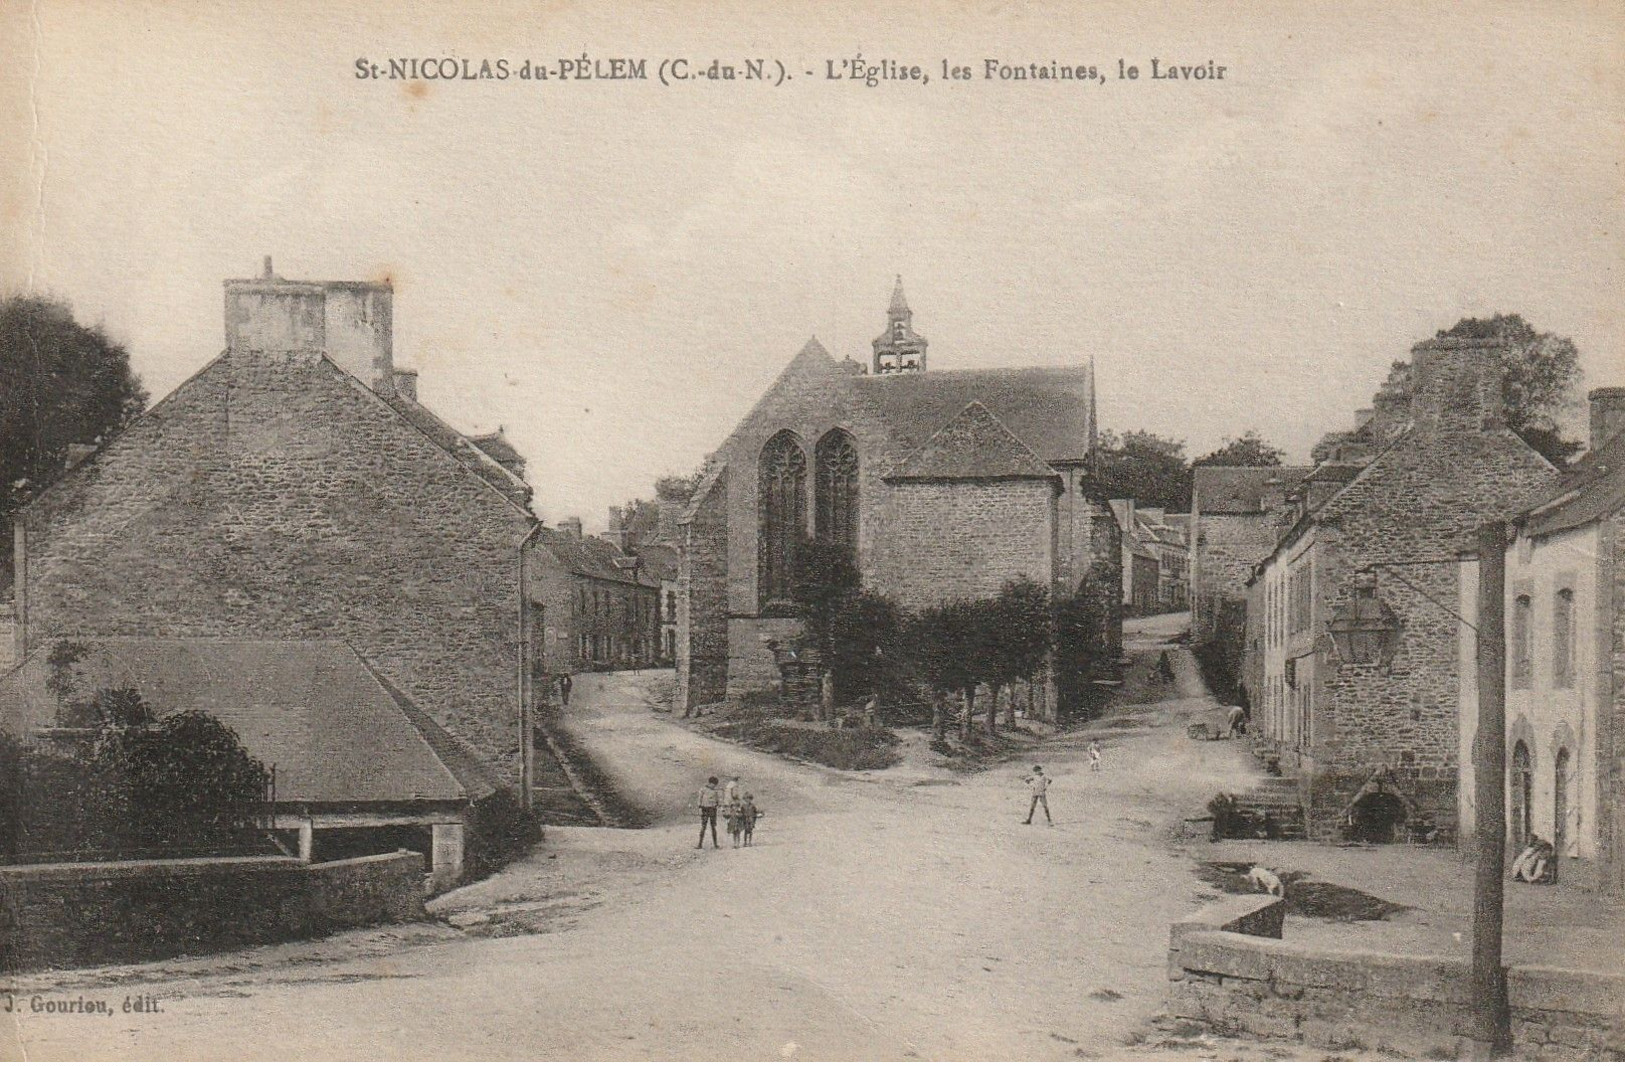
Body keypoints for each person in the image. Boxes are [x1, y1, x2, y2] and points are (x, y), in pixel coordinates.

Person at [696, 776, 721, 849]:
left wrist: (717, 804)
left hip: (713, 810)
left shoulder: (715, 791)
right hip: (705, 809)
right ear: (710, 783)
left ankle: (715, 844)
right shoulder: (703, 789)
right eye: (714, 784)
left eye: (715, 785)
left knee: (713, 827)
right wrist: (700, 807)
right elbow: (699, 799)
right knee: (703, 826)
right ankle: (699, 844)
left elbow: (717, 801)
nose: (714, 786)